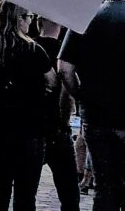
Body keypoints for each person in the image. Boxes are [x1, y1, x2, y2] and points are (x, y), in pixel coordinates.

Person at [59, 0, 125, 210]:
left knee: (105, 190)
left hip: (97, 117)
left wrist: (80, 95)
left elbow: (64, 68)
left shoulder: (86, 18)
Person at [0, 1, 55, 211]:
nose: (31, 21)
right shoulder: (34, 50)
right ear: (19, 18)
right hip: (29, 128)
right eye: (29, 16)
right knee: (25, 195)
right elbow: (52, 80)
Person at [34, 16, 80, 211]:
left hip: (33, 124)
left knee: (26, 191)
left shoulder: (30, 47)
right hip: (58, 126)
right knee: (69, 194)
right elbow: (68, 90)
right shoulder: (65, 50)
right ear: (60, 25)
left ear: (38, 22)